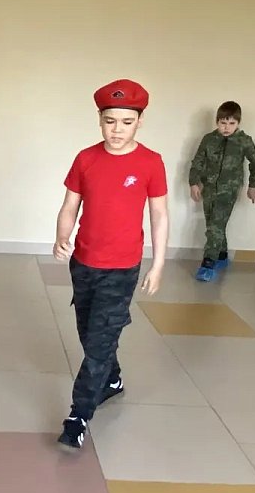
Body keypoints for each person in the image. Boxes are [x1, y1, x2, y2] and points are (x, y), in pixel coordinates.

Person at [53, 79, 169, 451]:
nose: (117, 130)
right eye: (110, 121)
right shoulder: (85, 159)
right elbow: (70, 205)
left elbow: (159, 216)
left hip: (122, 269)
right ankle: (112, 379)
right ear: (100, 120)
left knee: (99, 343)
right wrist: (61, 237)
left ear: (140, 122)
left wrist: (158, 264)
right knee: (90, 334)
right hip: (83, 262)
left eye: (126, 122)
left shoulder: (150, 162)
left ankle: (78, 416)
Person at [188, 101, 255, 282]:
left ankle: (208, 264)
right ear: (217, 122)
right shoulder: (209, 139)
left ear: (238, 123)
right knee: (214, 224)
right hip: (209, 188)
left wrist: (253, 185)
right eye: (223, 123)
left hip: (229, 190)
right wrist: (194, 183)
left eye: (231, 123)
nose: (227, 127)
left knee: (215, 226)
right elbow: (198, 161)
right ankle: (221, 256)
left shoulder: (244, 141)